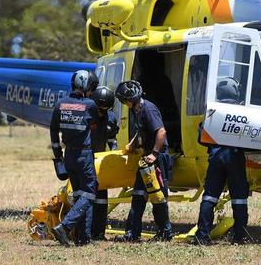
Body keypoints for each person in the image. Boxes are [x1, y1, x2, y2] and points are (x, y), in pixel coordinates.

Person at [193, 77, 250, 245]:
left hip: (216, 157)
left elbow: (201, 139)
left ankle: (202, 235)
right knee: (239, 199)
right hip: (234, 156)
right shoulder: (242, 112)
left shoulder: (212, 111)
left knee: (209, 198)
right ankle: (240, 236)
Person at [114, 80, 173, 242]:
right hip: (147, 160)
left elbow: (161, 132)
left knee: (158, 197)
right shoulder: (137, 109)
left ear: (129, 100)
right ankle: (132, 234)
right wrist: (131, 146)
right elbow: (141, 132)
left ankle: (165, 232)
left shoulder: (148, 109)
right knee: (139, 196)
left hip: (157, 158)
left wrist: (154, 154)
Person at [50, 70, 100, 246]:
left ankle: (83, 237)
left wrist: (58, 156)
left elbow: (53, 132)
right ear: (85, 85)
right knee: (90, 193)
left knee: (80, 195)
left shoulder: (60, 104)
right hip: (83, 155)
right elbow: (94, 125)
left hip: (68, 156)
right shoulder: (90, 105)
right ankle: (64, 227)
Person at [89, 85, 119, 240]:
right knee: (85, 198)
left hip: (100, 163)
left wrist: (115, 153)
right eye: (99, 109)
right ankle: (84, 231)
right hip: (85, 161)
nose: (102, 113)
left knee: (101, 199)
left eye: (104, 110)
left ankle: (99, 233)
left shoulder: (111, 118)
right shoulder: (86, 115)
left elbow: (112, 139)